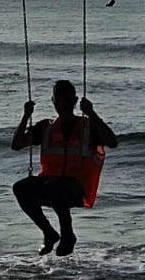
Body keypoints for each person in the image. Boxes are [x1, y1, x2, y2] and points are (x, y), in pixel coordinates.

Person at [11, 80, 118, 256]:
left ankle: (68, 235)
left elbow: (112, 142)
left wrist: (92, 113)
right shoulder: (47, 127)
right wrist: (25, 116)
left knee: (54, 186)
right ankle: (49, 232)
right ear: (53, 101)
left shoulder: (87, 126)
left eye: (67, 100)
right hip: (49, 184)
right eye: (59, 100)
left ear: (75, 101)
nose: (62, 105)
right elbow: (16, 145)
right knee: (20, 187)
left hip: (76, 188)